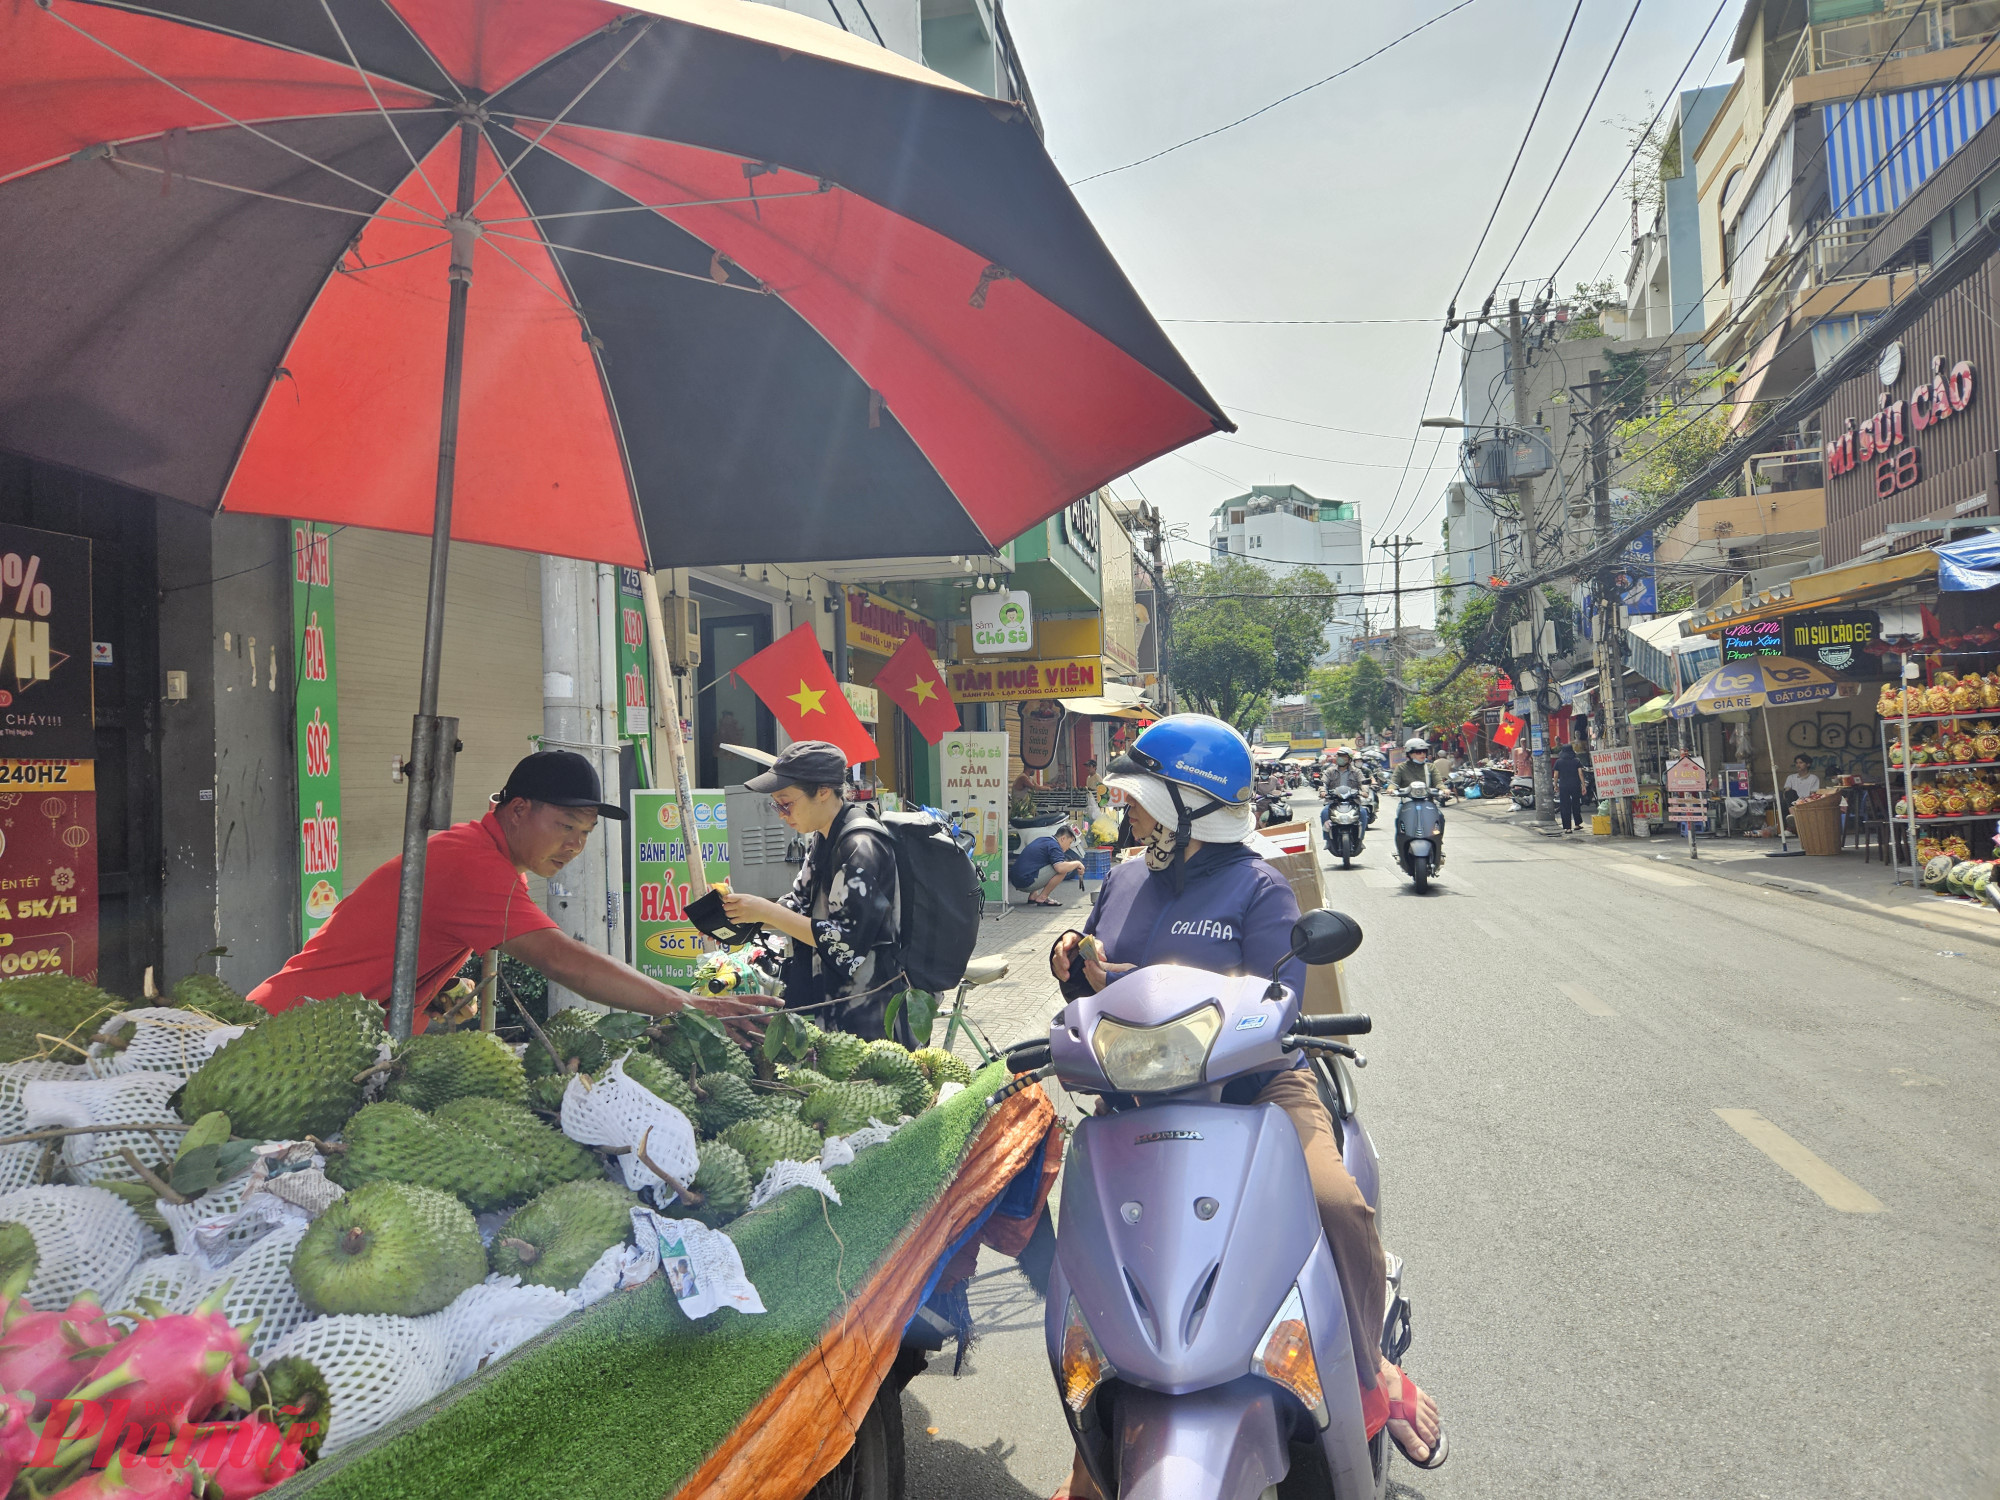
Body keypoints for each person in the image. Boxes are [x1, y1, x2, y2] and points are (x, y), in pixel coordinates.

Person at [1047, 716, 1444, 1492]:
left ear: (1190, 807)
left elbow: (1278, 1004)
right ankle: (1091, 1454)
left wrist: (1132, 978)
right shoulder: (1125, 878)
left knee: (1336, 1201)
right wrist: (1075, 962)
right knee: (1092, 1263)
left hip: (1253, 1090)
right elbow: (1091, 993)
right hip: (1135, 1100)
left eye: (1144, 799)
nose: (1130, 812)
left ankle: (1375, 1370)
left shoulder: (1259, 886)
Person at [250, 751, 763, 1031]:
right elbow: (565, 961)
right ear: (518, 810)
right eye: (565, 826)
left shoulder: (484, 855)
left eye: (585, 834)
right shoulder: (472, 864)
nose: (575, 845)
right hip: (290, 1035)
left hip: (330, 1033)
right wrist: (686, 1004)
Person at [717, 741, 911, 1041]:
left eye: (786, 803)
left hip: (866, 1014)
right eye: (776, 805)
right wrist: (739, 912)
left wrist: (764, 911)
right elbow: (796, 905)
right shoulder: (823, 837)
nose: (781, 814)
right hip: (829, 1004)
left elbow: (845, 944)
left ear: (822, 791)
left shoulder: (860, 847)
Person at [1009, 823, 1083, 906]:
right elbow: (1060, 868)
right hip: (1025, 883)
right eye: (1069, 843)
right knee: (1062, 869)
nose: (1069, 847)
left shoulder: (1044, 840)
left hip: (1016, 879)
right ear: (1063, 838)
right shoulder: (1055, 847)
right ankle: (1042, 897)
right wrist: (1077, 863)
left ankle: (1033, 896)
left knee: (1043, 862)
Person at [1554, 741, 1586, 831]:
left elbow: (1556, 775)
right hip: (1575, 785)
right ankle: (1577, 824)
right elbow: (1580, 773)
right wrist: (1583, 785)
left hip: (1564, 786)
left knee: (1565, 806)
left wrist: (1555, 785)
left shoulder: (1558, 762)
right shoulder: (1576, 761)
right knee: (1576, 804)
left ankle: (1568, 828)